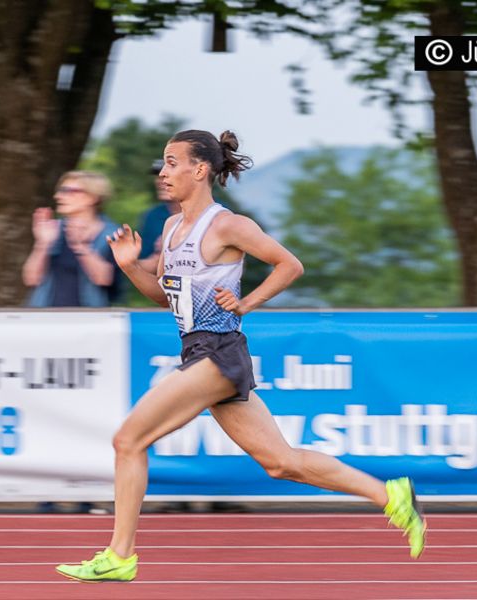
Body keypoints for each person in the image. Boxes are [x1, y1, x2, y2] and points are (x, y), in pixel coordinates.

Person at [55, 130, 426, 582]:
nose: (165, 173)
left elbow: (290, 265)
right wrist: (132, 265)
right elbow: (164, 298)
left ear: (200, 169)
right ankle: (391, 495)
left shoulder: (227, 225)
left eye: (173, 163)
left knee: (128, 441)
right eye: (164, 163)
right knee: (280, 462)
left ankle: (120, 555)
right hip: (198, 351)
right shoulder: (172, 229)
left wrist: (246, 303)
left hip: (218, 351)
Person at [22, 170, 122, 307]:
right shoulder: (53, 229)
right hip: (45, 317)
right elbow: (31, 279)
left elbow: (104, 279)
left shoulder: (113, 233)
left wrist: (81, 247)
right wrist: (42, 244)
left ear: (92, 197)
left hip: (90, 320)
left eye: (67, 191)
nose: (58, 196)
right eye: (60, 190)